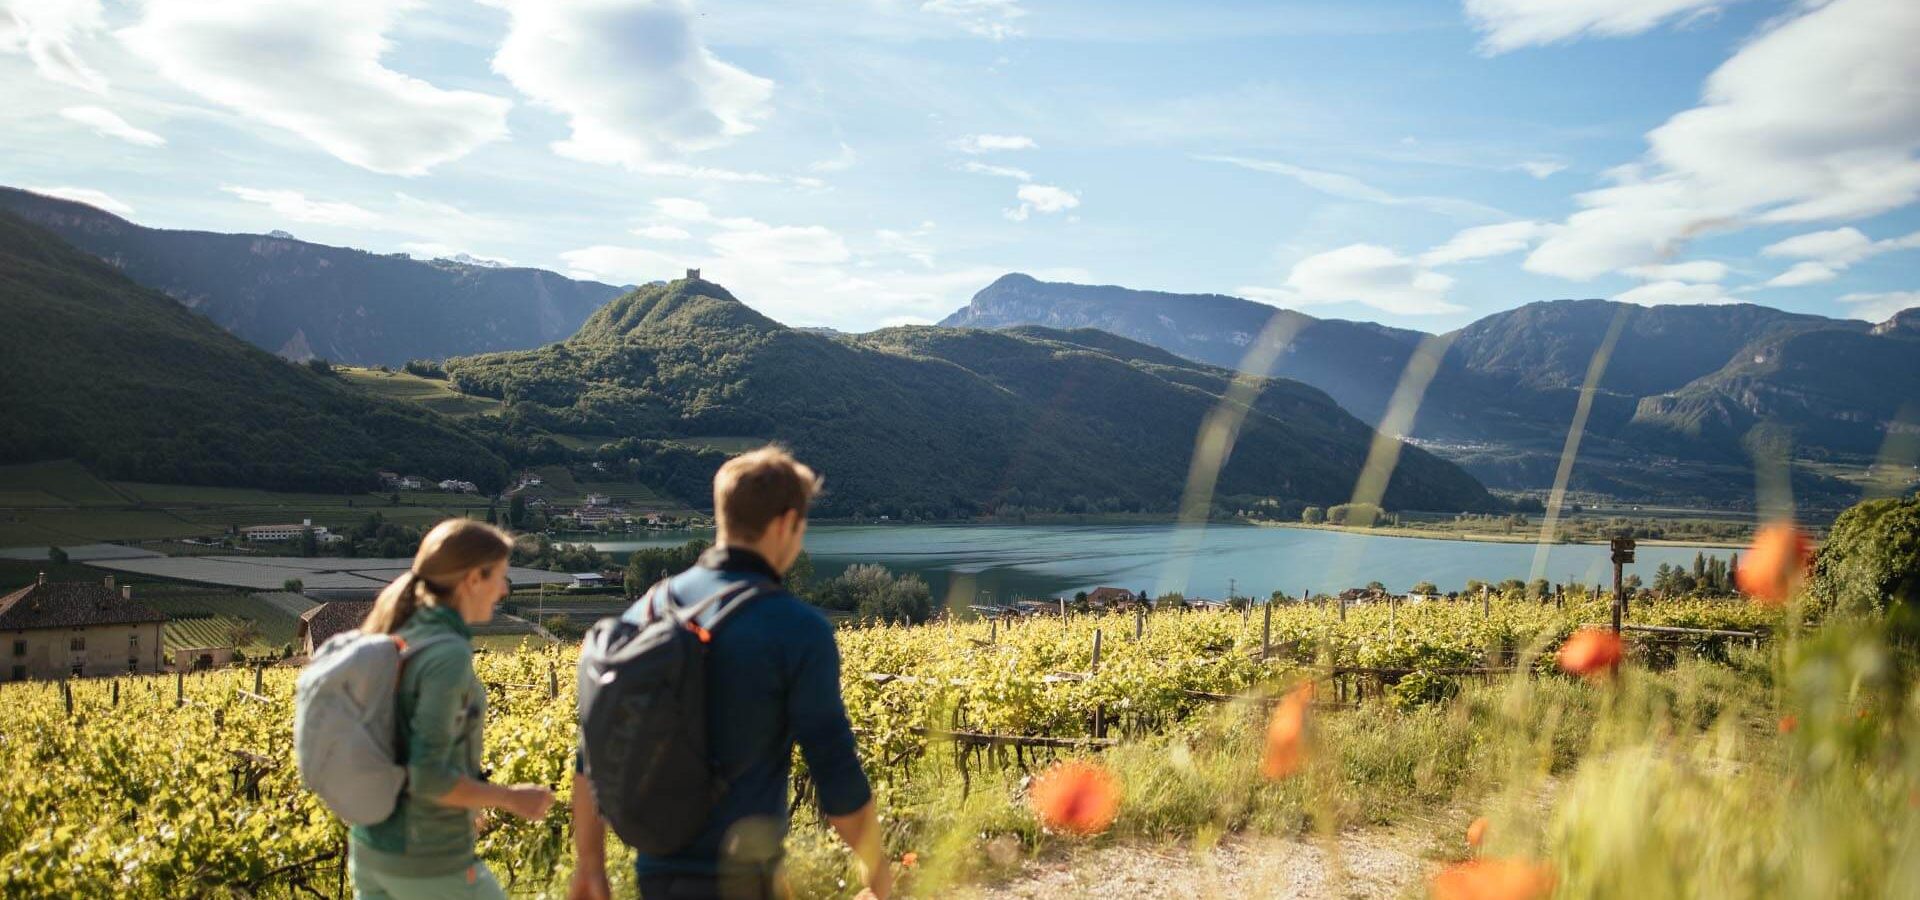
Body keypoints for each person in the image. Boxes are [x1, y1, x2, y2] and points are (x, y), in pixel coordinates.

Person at [570, 446, 888, 900]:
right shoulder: (796, 628)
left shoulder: (649, 609)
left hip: (654, 879)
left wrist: (590, 866)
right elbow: (835, 771)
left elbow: (590, 752)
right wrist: (876, 869)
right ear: (784, 525)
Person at [350, 519, 556, 899]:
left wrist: (466, 797)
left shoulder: (400, 631)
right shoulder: (446, 653)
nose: (505, 589)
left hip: (371, 848)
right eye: (500, 577)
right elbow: (428, 778)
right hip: (426, 857)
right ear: (473, 579)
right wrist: (510, 797)